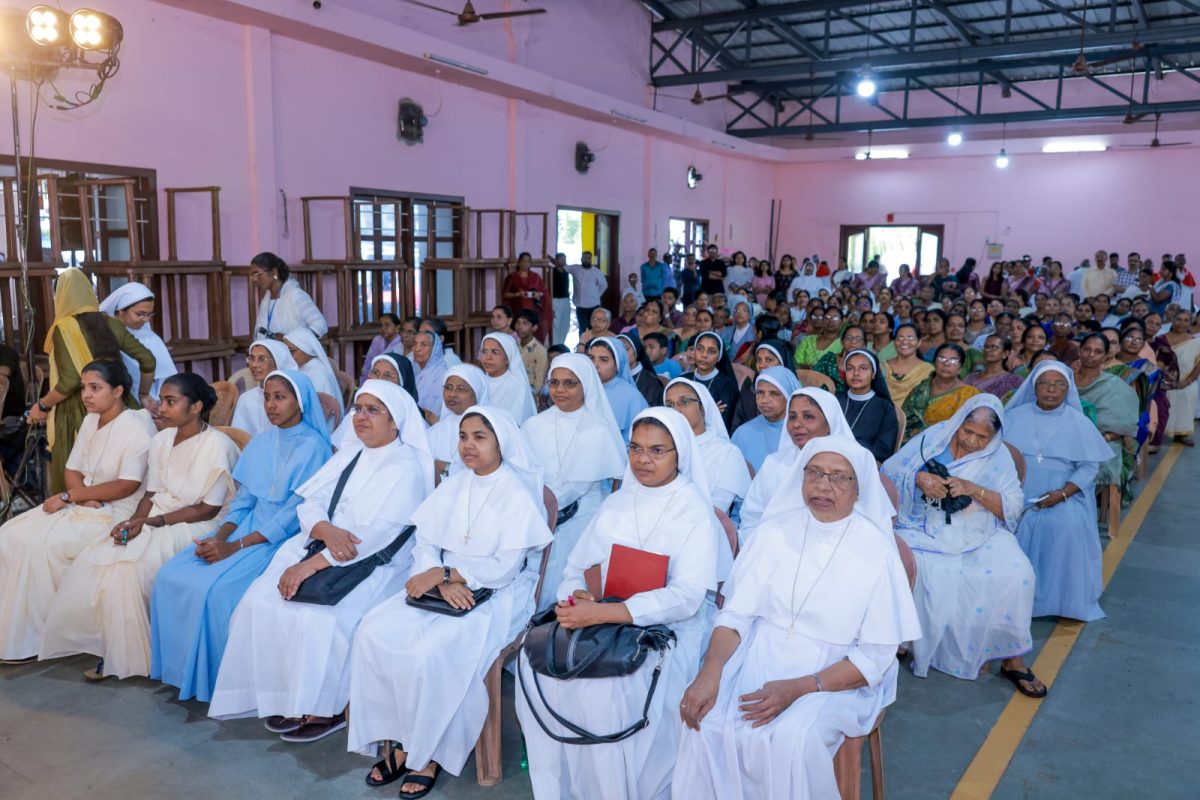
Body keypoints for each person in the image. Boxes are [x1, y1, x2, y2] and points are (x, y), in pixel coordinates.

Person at [674, 436, 921, 800]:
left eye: (839, 477)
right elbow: (736, 614)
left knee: (791, 740)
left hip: (835, 676)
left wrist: (797, 689)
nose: (823, 485)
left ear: (859, 488)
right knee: (704, 719)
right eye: (815, 473)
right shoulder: (773, 532)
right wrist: (709, 673)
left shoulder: (877, 551)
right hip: (759, 654)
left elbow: (874, 657)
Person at [208, 380, 432, 742]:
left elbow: (377, 536)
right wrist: (325, 529)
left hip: (375, 563)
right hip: (321, 547)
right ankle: (285, 698)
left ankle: (326, 709)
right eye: (358, 409)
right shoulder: (350, 454)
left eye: (373, 411)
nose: (361, 417)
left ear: (396, 422)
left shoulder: (406, 468)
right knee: (260, 602)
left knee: (321, 620)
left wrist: (310, 565)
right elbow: (310, 502)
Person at [348, 405, 553, 796]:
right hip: (441, 588)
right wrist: (440, 579)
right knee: (372, 632)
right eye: (462, 437)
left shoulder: (515, 491)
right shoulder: (455, 484)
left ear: (501, 443)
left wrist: (446, 575)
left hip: (497, 593)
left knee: (431, 653)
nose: (468, 445)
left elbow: (505, 567)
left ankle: (429, 753)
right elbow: (426, 542)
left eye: (479, 437)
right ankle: (401, 741)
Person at [517, 407, 719, 800]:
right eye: (636, 448)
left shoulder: (694, 510)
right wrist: (578, 595)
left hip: (667, 631)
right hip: (604, 620)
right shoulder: (617, 502)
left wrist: (607, 613)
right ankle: (570, 789)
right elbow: (575, 569)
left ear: (679, 455)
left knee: (603, 692)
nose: (643, 459)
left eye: (657, 450)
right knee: (537, 666)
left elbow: (687, 598)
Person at [39, 374, 241, 680]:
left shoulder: (217, 445)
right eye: (161, 400)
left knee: (129, 570)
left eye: (171, 402)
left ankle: (136, 655)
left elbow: (207, 509)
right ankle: (111, 647)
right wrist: (134, 522)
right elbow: (151, 493)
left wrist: (152, 523)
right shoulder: (161, 440)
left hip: (199, 524)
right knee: (96, 558)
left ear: (196, 406)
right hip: (158, 514)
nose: (161, 408)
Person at [149, 370, 331, 701]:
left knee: (216, 593)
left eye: (280, 397)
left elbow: (293, 515)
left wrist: (236, 546)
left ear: (301, 402)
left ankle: (218, 682)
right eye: (267, 397)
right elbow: (244, 501)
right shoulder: (261, 442)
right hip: (245, 530)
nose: (271, 405)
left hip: (281, 539)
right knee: (169, 576)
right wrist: (221, 537)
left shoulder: (315, 448)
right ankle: (179, 672)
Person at [883, 395, 1044, 696]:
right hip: (923, 523)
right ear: (958, 423)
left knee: (1018, 573)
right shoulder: (933, 437)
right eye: (968, 431)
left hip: (978, 529)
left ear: (994, 436)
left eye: (982, 437)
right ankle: (900, 639)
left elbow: (1013, 506)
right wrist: (919, 477)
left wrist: (974, 489)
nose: (972, 441)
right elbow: (890, 471)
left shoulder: (999, 456)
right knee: (903, 559)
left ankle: (1012, 659)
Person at [0, 361, 156, 663]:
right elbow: (72, 470)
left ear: (118, 391)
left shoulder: (137, 427)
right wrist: (80, 497)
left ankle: (37, 637)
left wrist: (72, 496)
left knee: (40, 546)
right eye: (84, 387)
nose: (86, 395)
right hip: (84, 503)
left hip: (118, 511)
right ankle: (12, 632)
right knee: (9, 534)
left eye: (95, 388)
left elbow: (127, 485)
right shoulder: (90, 420)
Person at [26, 269, 156, 493]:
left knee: (78, 473)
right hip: (119, 405)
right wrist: (143, 393)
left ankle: (79, 502)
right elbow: (148, 360)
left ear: (60, 297)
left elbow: (70, 381)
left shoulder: (63, 328)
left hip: (79, 409)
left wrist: (43, 405)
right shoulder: (111, 323)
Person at [1005, 363, 1111, 622]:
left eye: (1059, 384)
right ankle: (1013, 598)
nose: (1051, 389)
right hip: (1017, 488)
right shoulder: (1013, 416)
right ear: (1034, 387)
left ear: (1068, 389)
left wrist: (1063, 494)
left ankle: (1062, 602)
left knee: (1065, 527)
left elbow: (1089, 466)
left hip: (1064, 492)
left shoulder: (1078, 421)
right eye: (1044, 383)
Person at [522, 354, 626, 612]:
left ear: (585, 385)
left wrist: (544, 507)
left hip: (584, 516)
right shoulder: (534, 425)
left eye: (569, 383)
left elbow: (581, 486)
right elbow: (524, 472)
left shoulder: (598, 428)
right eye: (554, 382)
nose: (560, 390)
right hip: (538, 510)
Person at [738, 388, 854, 545]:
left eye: (808, 416)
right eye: (792, 417)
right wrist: (762, 550)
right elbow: (751, 517)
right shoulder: (773, 464)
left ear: (829, 423)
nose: (797, 424)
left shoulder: (850, 468)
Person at [665, 378, 752, 518]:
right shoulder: (660, 449)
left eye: (684, 402)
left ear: (703, 408)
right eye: (669, 405)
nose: (675, 410)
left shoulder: (726, 453)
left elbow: (717, 509)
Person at [1074, 333, 1139, 495]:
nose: (1091, 355)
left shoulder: (1115, 386)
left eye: (1098, 351)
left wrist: (1102, 439)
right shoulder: (1065, 380)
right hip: (1063, 439)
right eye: (1087, 349)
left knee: (1101, 459)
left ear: (1105, 356)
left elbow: (1124, 426)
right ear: (1079, 351)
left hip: (1102, 441)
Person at [98, 282, 176, 401]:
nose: (146, 320)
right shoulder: (106, 335)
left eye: (149, 314)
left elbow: (167, 379)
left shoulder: (151, 337)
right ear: (121, 310)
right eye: (140, 314)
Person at [901, 343, 980, 444]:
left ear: (960, 367)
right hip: (909, 444)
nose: (946, 364)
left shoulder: (970, 394)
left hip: (945, 446)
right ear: (934, 363)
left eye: (953, 361)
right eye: (942, 359)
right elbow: (903, 418)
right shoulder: (922, 388)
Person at [731, 365, 800, 473]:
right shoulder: (742, 433)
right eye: (760, 393)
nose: (764, 400)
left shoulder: (800, 432)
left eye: (774, 394)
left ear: (789, 396)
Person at [426, 364, 490, 474]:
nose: (452, 394)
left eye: (461, 389)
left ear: (477, 393)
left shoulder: (490, 431)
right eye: (448, 387)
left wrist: (448, 468)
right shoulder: (433, 432)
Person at [836, 349, 899, 462]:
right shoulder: (835, 400)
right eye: (850, 368)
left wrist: (849, 446)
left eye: (863, 368)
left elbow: (883, 450)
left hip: (861, 461)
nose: (856, 373)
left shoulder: (885, 408)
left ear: (873, 374)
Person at [250, 252, 328, 339]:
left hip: (293, 348)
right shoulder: (266, 300)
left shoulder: (296, 295)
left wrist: (295, 341)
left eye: (257, 274)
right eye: (252, 275)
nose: (254, 279)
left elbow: (320, 325)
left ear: (274, 272)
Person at [230, 340, 299, 437]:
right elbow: (238, 438)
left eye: (262, 359)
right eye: (251, 358)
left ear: (277, 361)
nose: (254, 365)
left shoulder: (293, 397)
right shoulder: (245, 399)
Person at [587, 337, 648, 440]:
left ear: (617, 364)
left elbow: (638, 438)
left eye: (603, 360)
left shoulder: (631, 396)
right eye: (591, 358)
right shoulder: (581, 389)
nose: (595, 365)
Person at [682, 331, 739, 433]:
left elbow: (721, 423)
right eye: (700, 349)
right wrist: (710, 413)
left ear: (719, 357)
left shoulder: (727, 386)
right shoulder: (682, 381)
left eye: (711, 351)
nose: (704, 355)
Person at [479, 332, 537, 424]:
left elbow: (513, 423)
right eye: (484, 351)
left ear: (507, 358)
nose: (488, 357)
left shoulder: (517, 387)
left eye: (495, 352)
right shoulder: (479, 381)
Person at [282, 327, 342, 415]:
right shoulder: (300, 366)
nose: (288, 355)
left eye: (291, 351)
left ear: (306, 348)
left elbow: (322, 410)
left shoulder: (319, 372)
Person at [1163, 310, 1200, 445]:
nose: (1181, 323)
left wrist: (1187, 381)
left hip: (1186, 381)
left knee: (1186, 402)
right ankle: (1157, 434)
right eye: (1178, 319)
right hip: (1162, 382)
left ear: (1191, 323)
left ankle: (1182, 435)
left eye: (1186, 320)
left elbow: (1198, 365)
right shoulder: (1161, 339)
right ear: (1172, 320)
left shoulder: (1195, 342)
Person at [502, 252, 550, 343]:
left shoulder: (535, 277)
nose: (526, 263)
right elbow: (505, 294)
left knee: (532, 333)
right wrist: (517, 294)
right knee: (518, 335)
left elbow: (543, 293)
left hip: (533, 310)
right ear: (519, 262)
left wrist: (537, 295)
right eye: (523, 261)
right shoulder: (512, 277)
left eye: (528, 261)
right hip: (517, 310)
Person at [885, 323, 934, 409]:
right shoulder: (882, 367)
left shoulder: (928, 370)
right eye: (900, 337)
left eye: (910, 337)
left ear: (919, 342)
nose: (904, 342)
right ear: (894, 342)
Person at [966, 335, 1023, 401]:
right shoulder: (970, 378)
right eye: (986, 347)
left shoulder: (1014, 381)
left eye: (993, 347)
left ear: (1005, 354)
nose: (987, 350)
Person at [812, 324, 866, 394]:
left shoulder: (867, 365)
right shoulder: (828, 359)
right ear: (842, 341)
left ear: (864, 344)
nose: (853, 342)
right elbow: (814, 380)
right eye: (849, 338)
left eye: (858, 339)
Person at [617, 333, 665, 408]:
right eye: (617, 349)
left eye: (626, 349)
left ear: (636, 351)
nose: (621, 353)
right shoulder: (608, 376)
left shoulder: (651, 382)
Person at [568, 251, 609, 336]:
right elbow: (564, 267)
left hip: (593, 305)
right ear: (581, 259)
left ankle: (594, 343)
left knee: (594, 327)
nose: (586, 260)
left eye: (588, 258)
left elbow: (604, 285)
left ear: (591, 260)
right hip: (580, 305)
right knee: (582, 328)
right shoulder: (575, 269)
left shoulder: (597, 272)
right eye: (584, 258)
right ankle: (582, 343)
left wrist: (596, 295)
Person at [359, 313, 404, 384]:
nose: (383, 328)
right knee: (355, 387)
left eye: (387, 325)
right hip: (371, 377)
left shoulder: (401, 342)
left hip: (390, 381)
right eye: (381, 325)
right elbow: (368, 362)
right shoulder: (377, 340)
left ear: (397, 327)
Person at [514, 309, 548, 395]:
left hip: (530, 393)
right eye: (518, 322)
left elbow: (539, 382)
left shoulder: (540, 351)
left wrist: (532, 396)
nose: (520, 327)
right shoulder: (513, 346)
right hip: (512, 390)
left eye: (525, 323)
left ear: (534, 327)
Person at [550, 253, 572, 345]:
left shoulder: (566, 273)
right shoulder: (552, 272)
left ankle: (562, 343)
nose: (564, 261)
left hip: (565, 300)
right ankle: (556, 344)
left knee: (565, 323)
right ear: (556, 261)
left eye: (564, 259)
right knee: (556, 323)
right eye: (562, 259)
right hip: (555, 300)